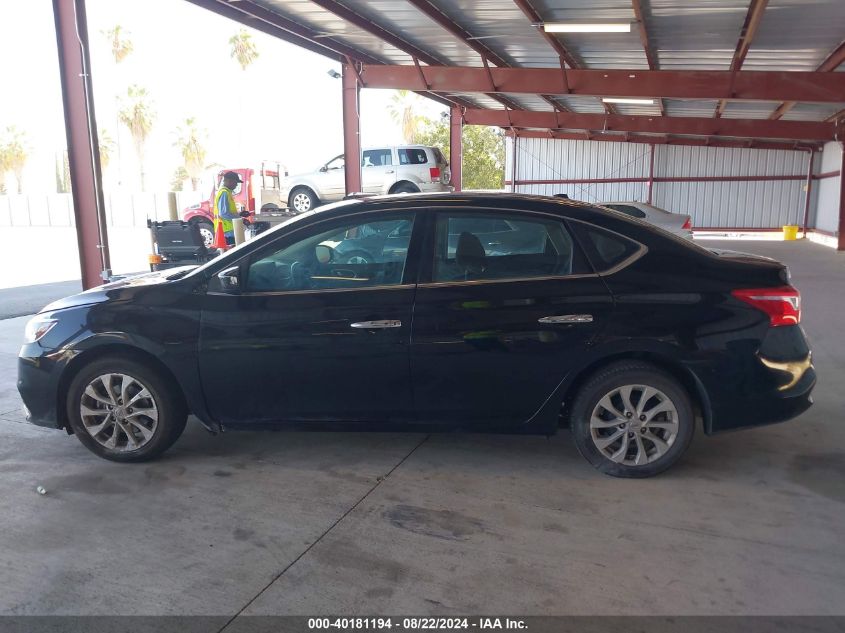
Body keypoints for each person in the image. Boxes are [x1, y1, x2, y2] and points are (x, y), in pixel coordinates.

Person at [214, 171, 245, 247]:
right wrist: (239, 218)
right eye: (236, 182)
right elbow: (224, 213)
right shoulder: (224, 193)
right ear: (229, 181)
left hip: (228, 231)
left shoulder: (227, 192)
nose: (236, 184)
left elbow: (227, 211)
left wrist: (238, 214)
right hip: (227, 232)